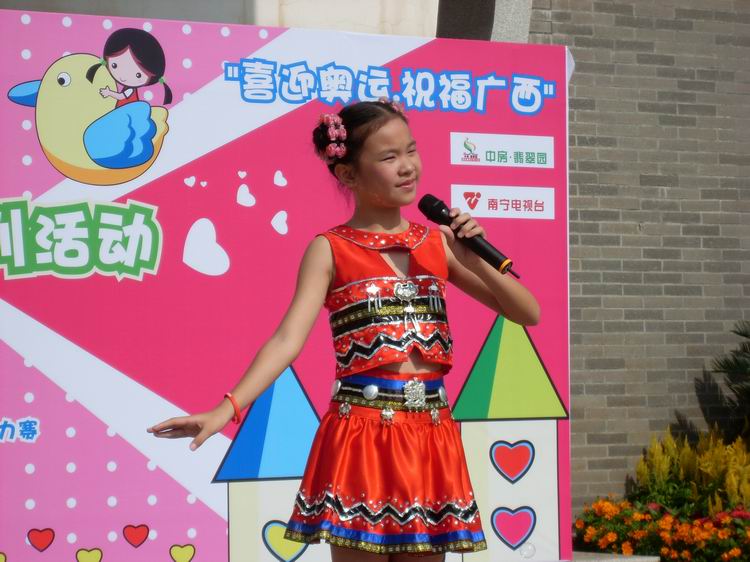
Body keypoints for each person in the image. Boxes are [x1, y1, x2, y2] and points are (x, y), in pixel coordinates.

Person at [148, 99, 540, 561]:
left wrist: (475, 258)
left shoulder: (437, 242)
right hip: (361, 433)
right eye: (389, 157)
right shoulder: (330, 248)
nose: (407, 166)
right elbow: (287, 340)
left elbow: (526, 312)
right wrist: (225, 409)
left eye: (411, 150)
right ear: (348, 174)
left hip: (430, 430)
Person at [86, 28, 173, 106]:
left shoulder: (130, 90)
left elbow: (121, 96)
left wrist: (109, 93)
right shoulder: (127, 87)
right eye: (114, 65)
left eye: (138, 75)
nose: (123, 77)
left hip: (128, 110)